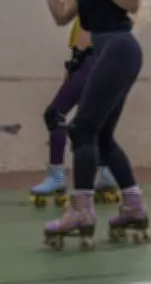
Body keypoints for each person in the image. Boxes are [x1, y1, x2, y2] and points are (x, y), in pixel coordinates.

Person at [36, 0, 151, 249]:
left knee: (82, 128)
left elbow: (132, 1)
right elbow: (61, 15)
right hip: (102, 50)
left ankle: (82, 211)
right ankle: (133, 206)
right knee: (101, 138)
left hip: (119, 47)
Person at [29, 19, 122, 207]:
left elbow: (86, 32)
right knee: (93, 122)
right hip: (105, 60)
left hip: (91, 59)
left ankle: (57, 176)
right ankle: (105, 174)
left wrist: (76, 62)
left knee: (55, 114)